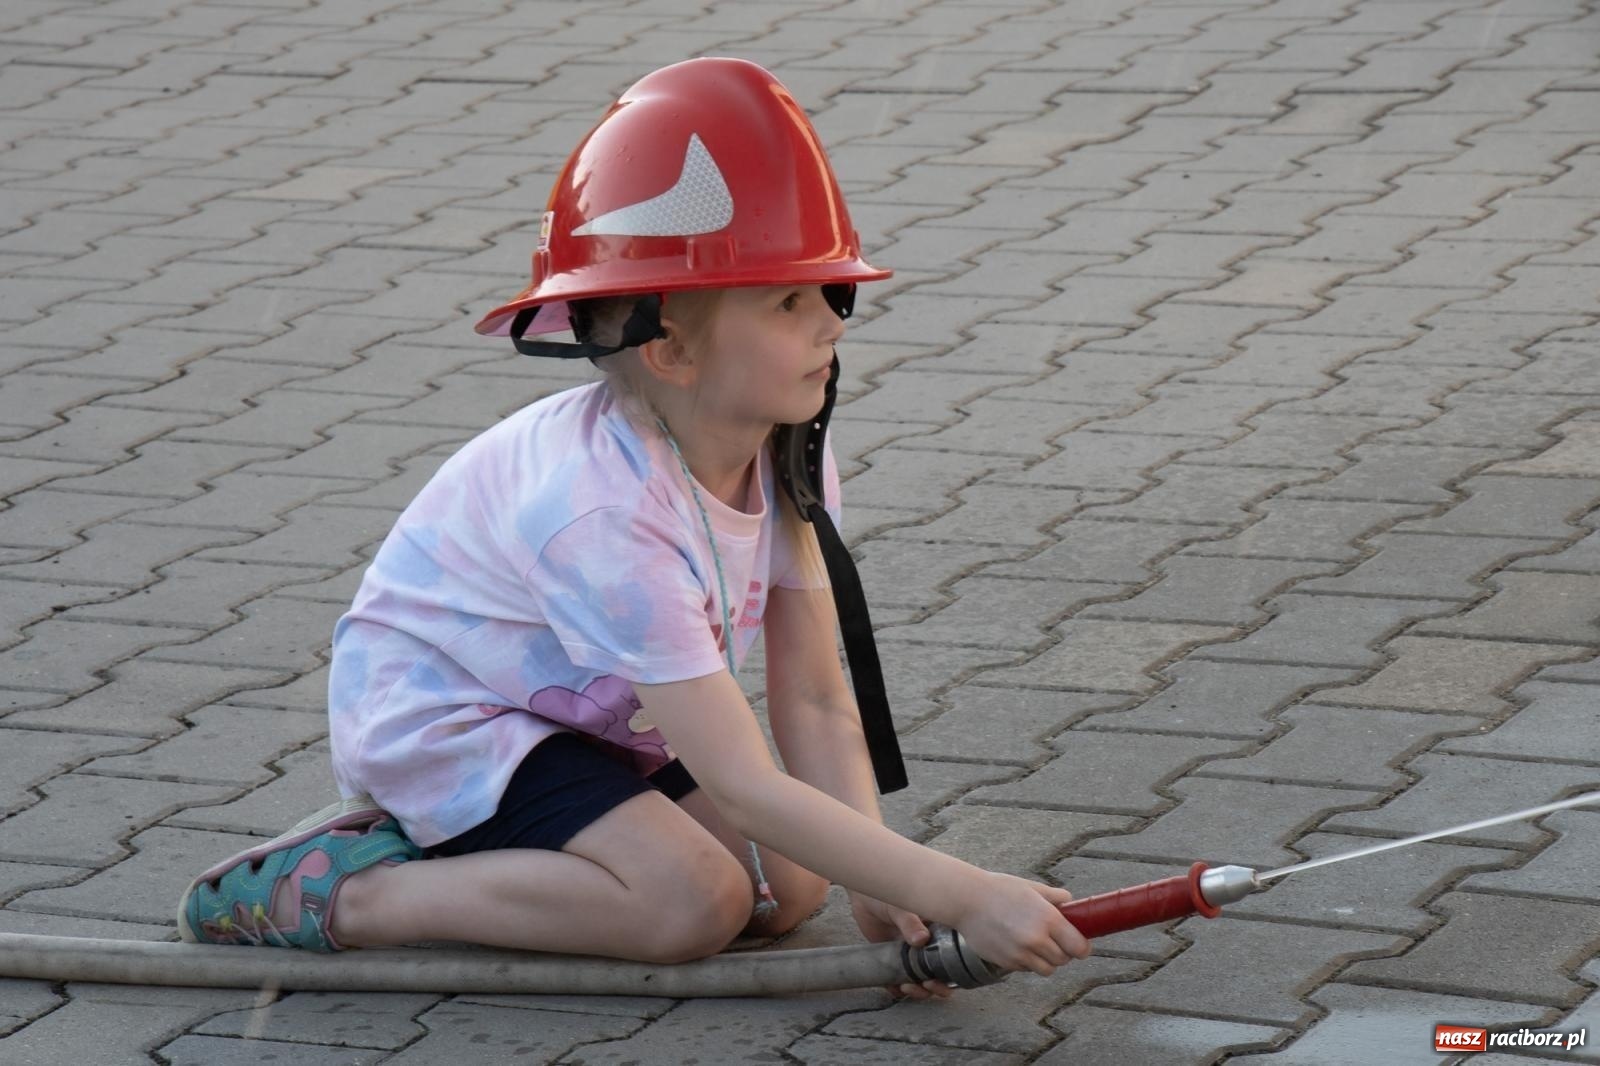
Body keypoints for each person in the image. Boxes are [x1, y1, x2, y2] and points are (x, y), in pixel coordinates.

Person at [177, 57, 1090, 1001]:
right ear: (670, 348)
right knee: (686, 907)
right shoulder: (605, 513)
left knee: (786, 891)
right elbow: (742, 782)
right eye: (787, 301)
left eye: (832, 293)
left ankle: (535, 853)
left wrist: (879, 885)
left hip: (586, 720)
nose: (831, 325)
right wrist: (962, 891)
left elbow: (816, 701)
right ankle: (344, 894)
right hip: (459, 720)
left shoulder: (791, 456)